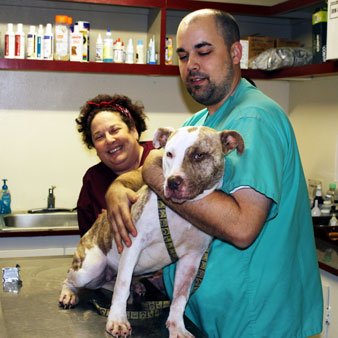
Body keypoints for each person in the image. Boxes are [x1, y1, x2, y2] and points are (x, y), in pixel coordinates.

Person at [105, 9, 323, 338]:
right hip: (202, 314)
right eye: (183, 55)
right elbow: (148, 166)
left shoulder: (255, 119)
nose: (191, 64)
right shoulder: (198, 124)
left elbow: (241, 227)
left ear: (236, 53)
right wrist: (118, 187)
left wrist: (155, 176)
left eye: (204, 51)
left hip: (254, 320)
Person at [75, 94, 154, 236]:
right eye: (99, 137)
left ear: (134, 131)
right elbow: (89, 243)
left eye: (114, 130)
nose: (109, 140)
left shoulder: (162, 155)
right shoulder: (93, 180)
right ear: (94, 147)